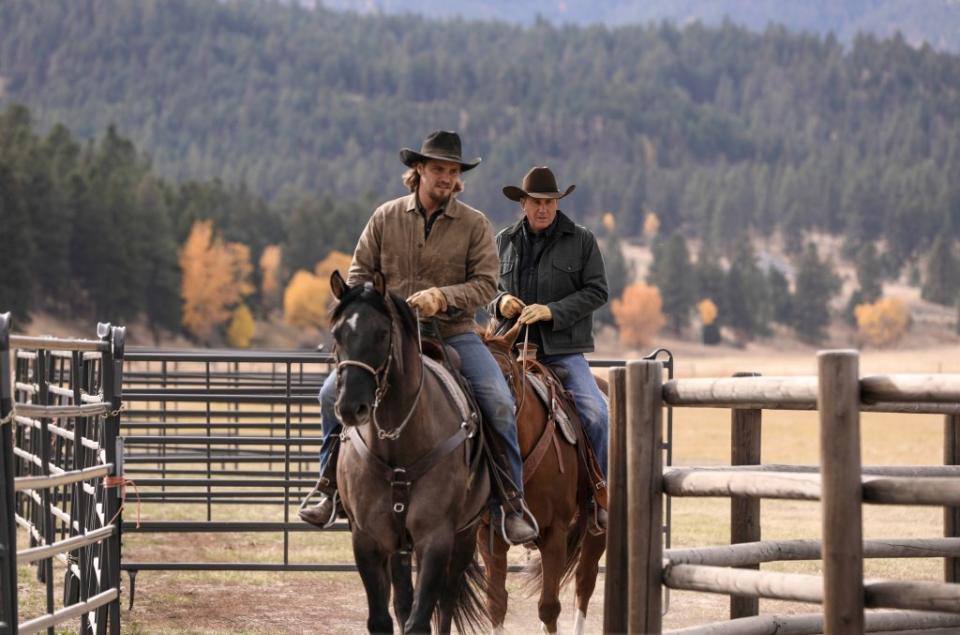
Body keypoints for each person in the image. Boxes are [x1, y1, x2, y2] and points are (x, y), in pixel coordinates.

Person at [300, 130, 539, 545]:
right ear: (419, 170)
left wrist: (441, 298)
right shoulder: (385, 217)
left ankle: (510, 501)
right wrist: (379, 308)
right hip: (388, 338)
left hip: (454, 332)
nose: (445, 178)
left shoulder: (474, 224)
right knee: (328, 395)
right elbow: (357, 277)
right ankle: (327, 486)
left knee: (498, 401)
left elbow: (486, 284)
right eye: (438, 169)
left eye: (452, 171)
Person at [491, 166, 610, 530]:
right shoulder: (504, 241)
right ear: (523, 203)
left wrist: (552, 311)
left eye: (550, 202)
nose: (544, 208)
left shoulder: (582, 240)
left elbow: (597, 291)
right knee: (470, 407)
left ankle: (598, 496)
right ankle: (475, 498)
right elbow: (487, 288)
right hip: (508, 349)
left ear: (557, 203)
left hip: (561, 350)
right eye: (537, 202)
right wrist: (501, 302)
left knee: (595, 414)